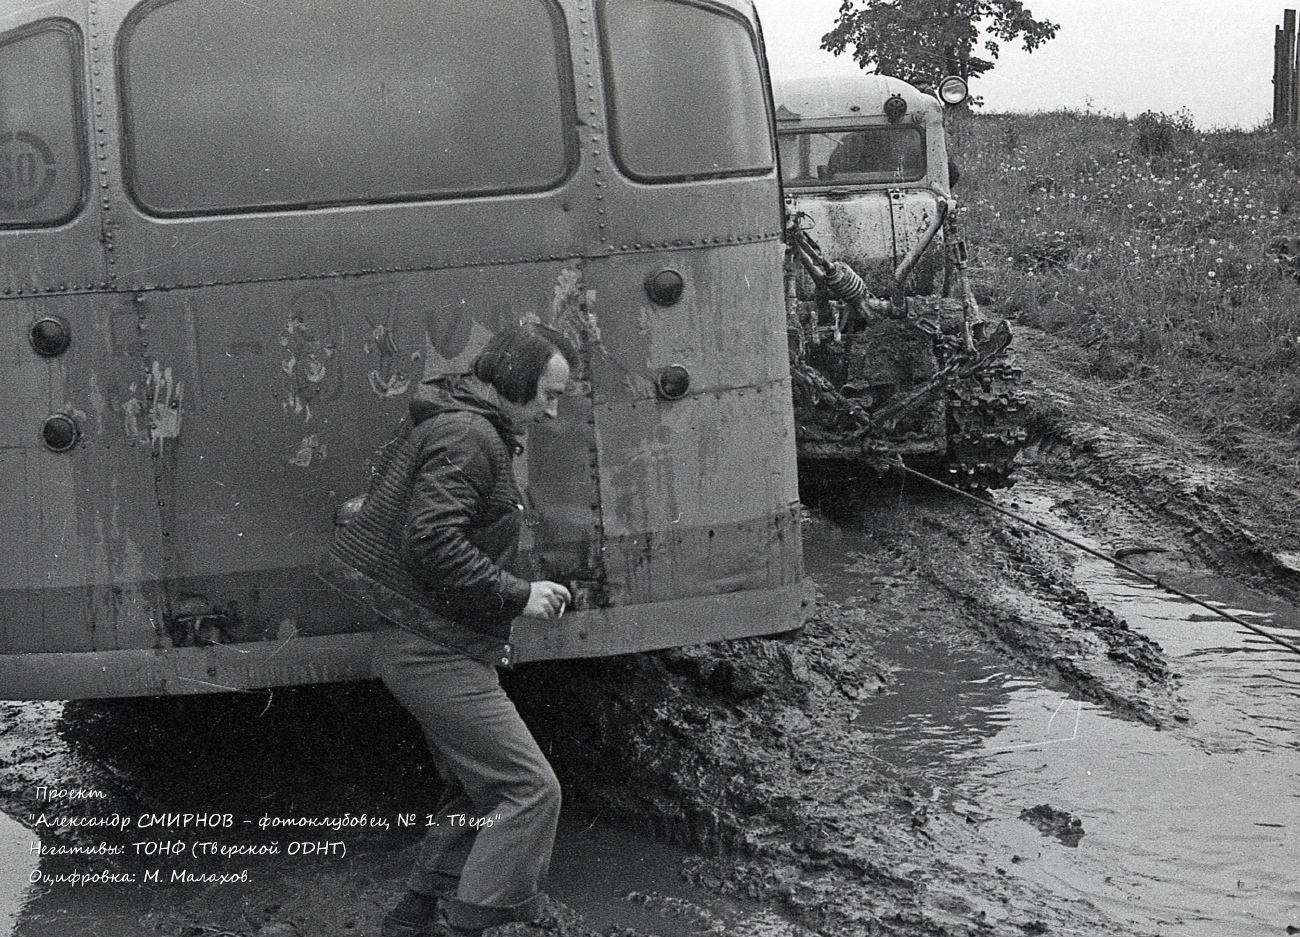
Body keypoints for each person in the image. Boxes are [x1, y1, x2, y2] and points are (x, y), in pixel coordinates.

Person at [319, 322, 578, 937]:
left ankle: (412, 916)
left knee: (476, 782)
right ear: (515, 380)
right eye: (548, 394)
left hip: (428, 640)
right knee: (530, 790)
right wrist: (519, 594)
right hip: (432, 649)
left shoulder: (465, 423)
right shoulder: (468, 435)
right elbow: (433, 542)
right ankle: (472, 924)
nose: (552, 410)